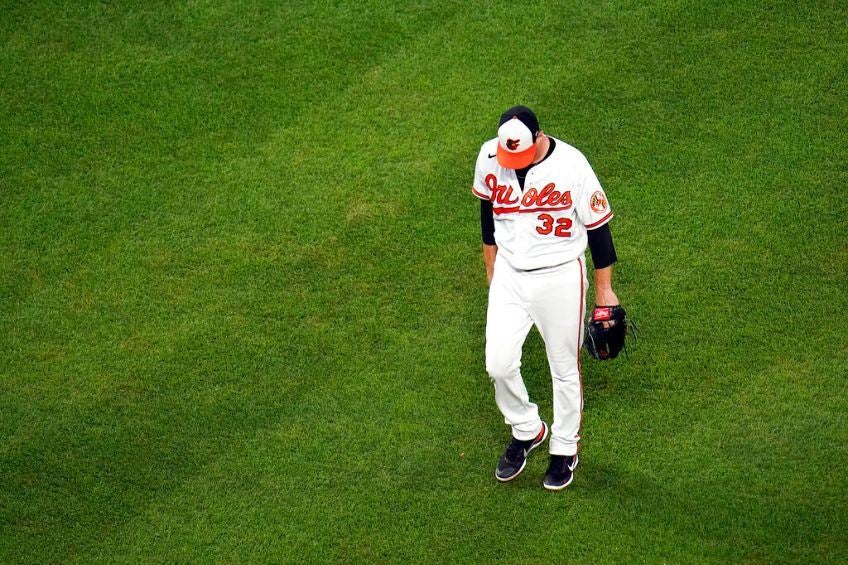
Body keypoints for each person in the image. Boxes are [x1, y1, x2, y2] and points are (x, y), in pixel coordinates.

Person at [472, 105, 621, 490]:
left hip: (560, 277)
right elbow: (487, 213)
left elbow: (599, 231)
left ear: (539, 138)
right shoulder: (490, 157)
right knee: (498, 364)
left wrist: (605, 290)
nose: (514, 163)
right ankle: (526, 429)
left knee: (564, 368)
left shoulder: (572, 165)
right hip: (509, 275)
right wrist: (492, 269)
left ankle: (564, 447)